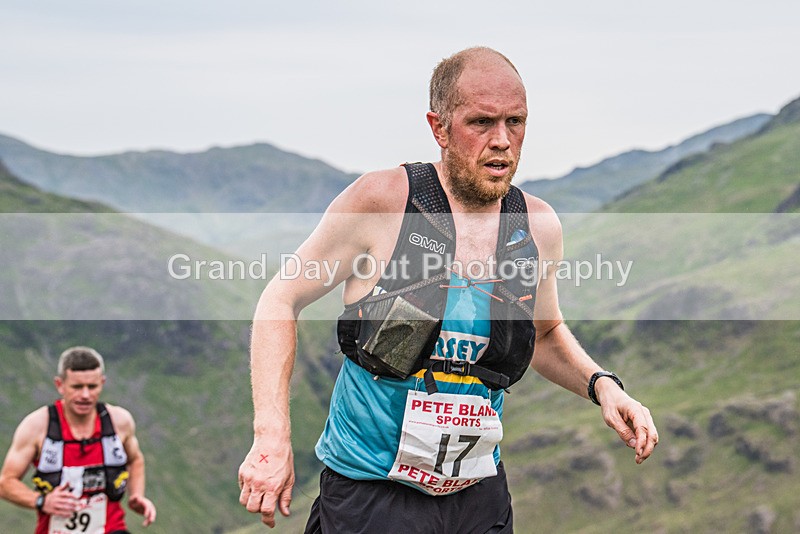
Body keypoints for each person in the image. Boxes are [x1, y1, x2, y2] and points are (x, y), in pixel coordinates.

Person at [238, 46, 658, 532]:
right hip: (372, 494)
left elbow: (542, 334)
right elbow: (281, 298)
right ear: (439, 127)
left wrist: (603, 386)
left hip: (477, 497)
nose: (502, 140)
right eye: (481, 122)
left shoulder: (536, 228)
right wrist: (271, 435)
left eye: (515, 122)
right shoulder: (385, 202)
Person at [0, 346, 157, 533]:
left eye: (92, 387)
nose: (85, 395)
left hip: (111, 528)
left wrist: (136, 495)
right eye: (76, 387)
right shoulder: (37, 426)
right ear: (60, 385)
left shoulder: (119, 421)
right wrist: (41, 501)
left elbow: (135, 459)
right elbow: (5, 482)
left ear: (102, 383)